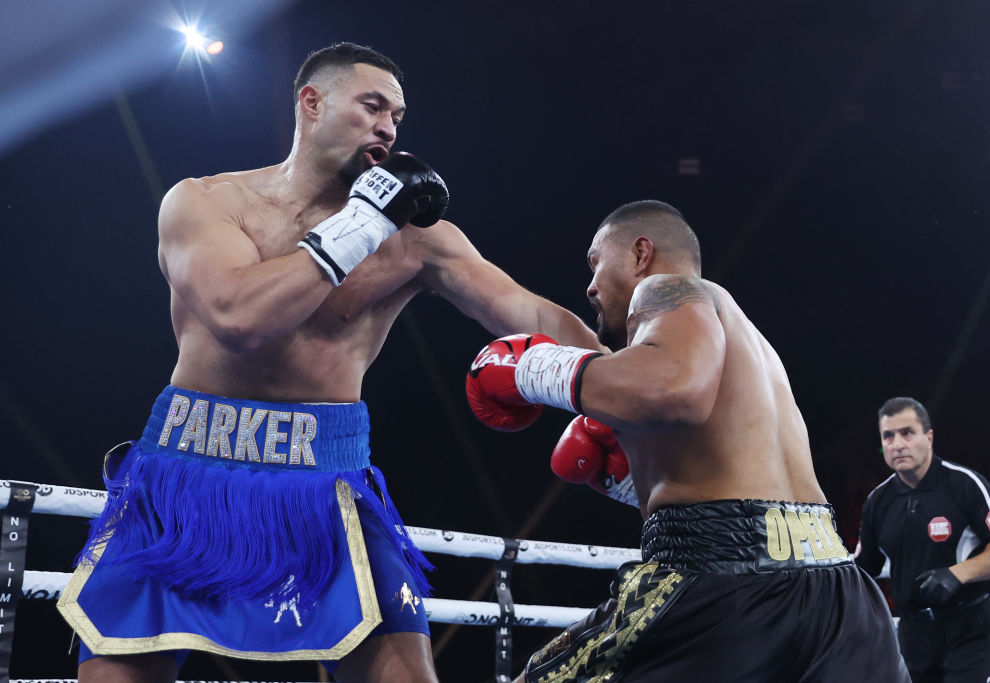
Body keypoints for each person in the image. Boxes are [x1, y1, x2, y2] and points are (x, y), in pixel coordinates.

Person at [55, 42, 602, 683]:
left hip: (325, 478)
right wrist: (359, 225)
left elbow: (530, 316)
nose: (388, 128)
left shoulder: (417, 241)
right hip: (184, 472)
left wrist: (620, 382)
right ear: (311, 104)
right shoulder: (207, 203)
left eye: (397, 117)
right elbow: (237, 319)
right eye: (372, 107)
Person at [464, 200, 910, 682]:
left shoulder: (665, 289)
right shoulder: (750, 344)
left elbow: (673, 388)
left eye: (596, 263)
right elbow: (741, 493)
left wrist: (531, 369)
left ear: (640, 253)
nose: (591, 286)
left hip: (724, 592)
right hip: (840, 594)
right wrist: (629, 485)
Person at [855, 396, 990, 682]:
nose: (897, 444)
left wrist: (956, 574)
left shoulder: (964, 483)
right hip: (913, 632)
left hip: (967, 624)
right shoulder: (877, 501)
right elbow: (866, 565)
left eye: (907, 433)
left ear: (928, 437)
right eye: (888, 436)